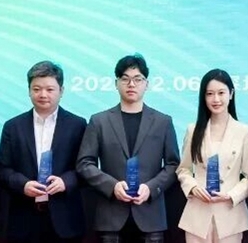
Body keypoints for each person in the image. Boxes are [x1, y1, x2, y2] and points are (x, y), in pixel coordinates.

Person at [77, 54, 181, 243]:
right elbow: (85, 163)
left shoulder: (163, 122)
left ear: (146, 84)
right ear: (116, 83)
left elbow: (173, 164)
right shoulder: (99, 121)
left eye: (137, 79)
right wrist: (112, 186)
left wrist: (150, 188)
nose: (131, 84)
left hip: (150, 215)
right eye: (125, 79)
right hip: (110, 216)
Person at [0, 61, 88, 243]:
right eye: (37, 89)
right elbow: (3, 170)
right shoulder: (13, 127)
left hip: (65, 220)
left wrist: (65, 181)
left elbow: (86, 167)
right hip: (24, 219)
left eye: (50, 89)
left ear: (61, 91)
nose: (43, 94)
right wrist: (23, 184)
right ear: (29, 90)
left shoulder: (77, 125)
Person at [175, 69, 248, 243]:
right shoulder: (193, 130)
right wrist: (193, 187)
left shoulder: (244, 131)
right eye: (210, 94)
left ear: (231, 94)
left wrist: (232, 195)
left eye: (221, 93)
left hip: (230, 213)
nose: (216, 99)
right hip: (198, 213)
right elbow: (183, 169)